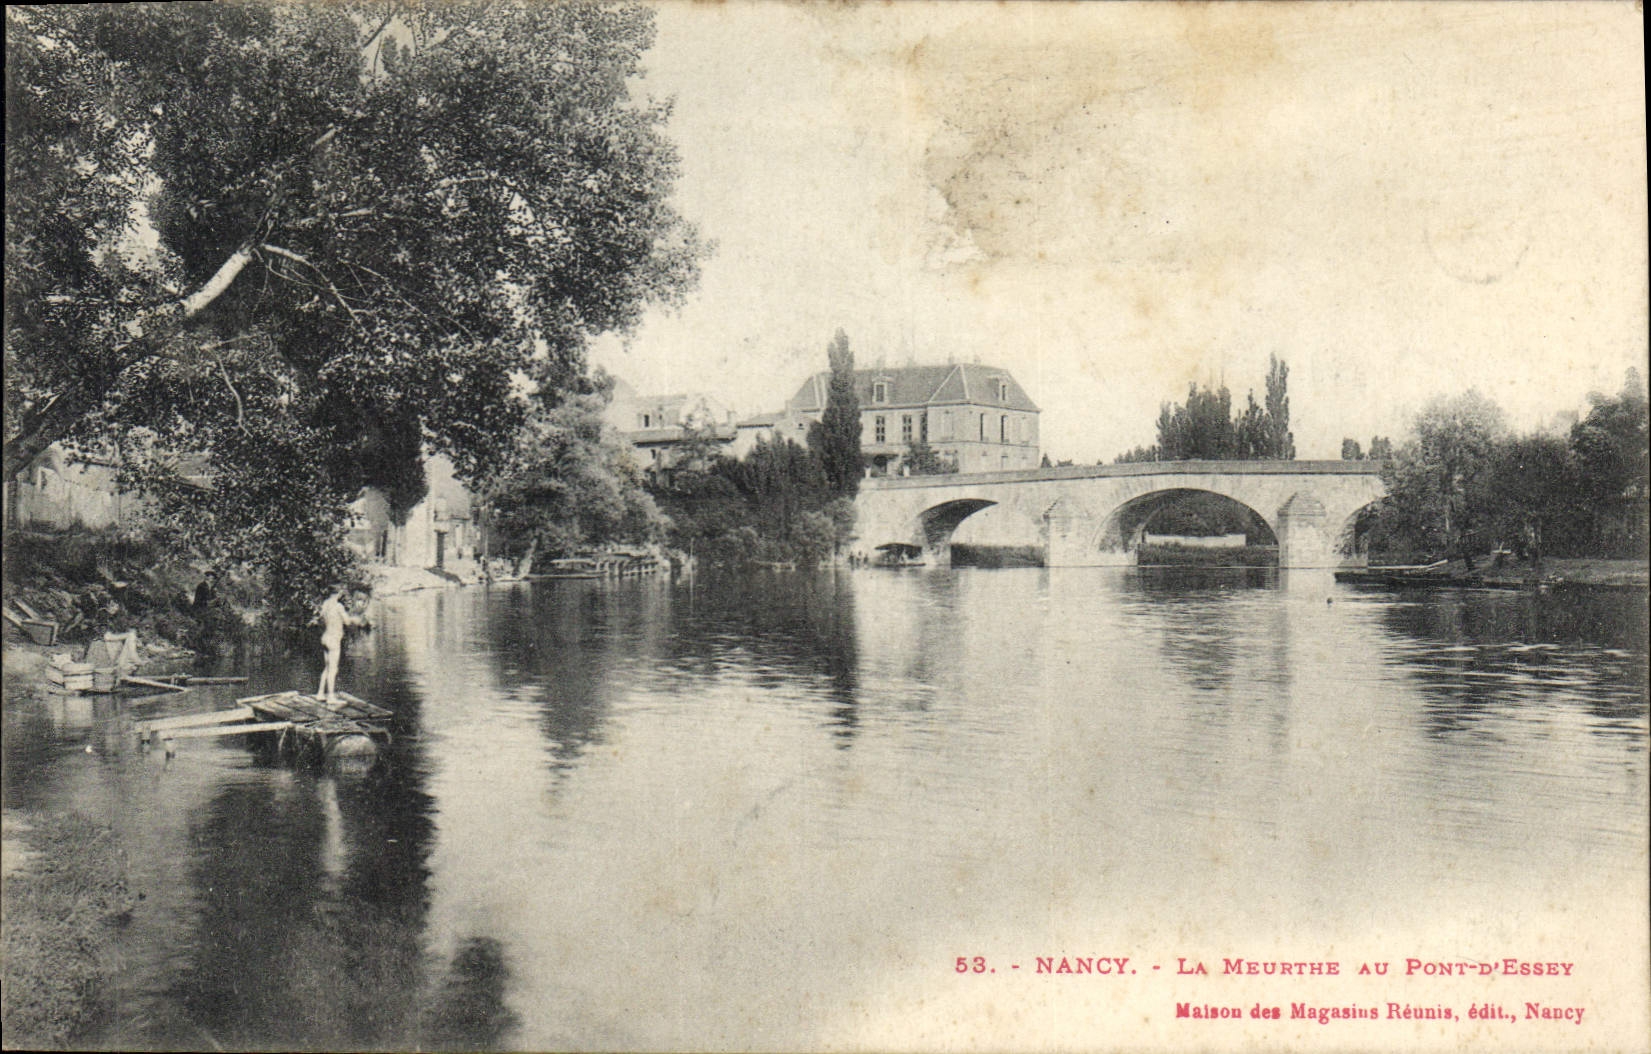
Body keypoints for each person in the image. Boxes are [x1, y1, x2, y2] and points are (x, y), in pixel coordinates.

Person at [315, 589, 362, 704]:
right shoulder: (338, 606)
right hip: (334, 639)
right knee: (333, 669)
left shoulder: (325, 604)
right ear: (338, 593)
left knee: (326, 667)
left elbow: (321, 619)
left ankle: (320, 693)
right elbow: (347, 622)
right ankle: (331, 697)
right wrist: (355, 619)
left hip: (325, 637)